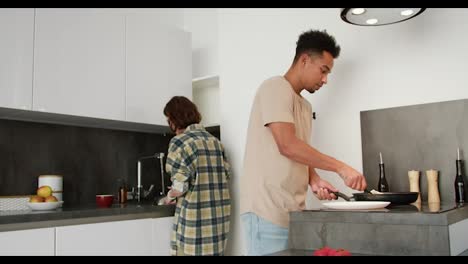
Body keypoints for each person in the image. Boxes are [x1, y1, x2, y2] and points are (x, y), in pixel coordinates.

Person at [240, 29, 367, 256]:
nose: (325, 80)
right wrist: (340, 167)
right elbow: (287, 144)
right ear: (305, 60)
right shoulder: (274, 87)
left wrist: (315, 179)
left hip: (294, 213)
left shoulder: (306, 107)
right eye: (323, 70)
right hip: (266, 211)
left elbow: (298, 151)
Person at [162, 96, 231, 256]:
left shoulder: (180, 142)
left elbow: (180, 186)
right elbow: (226, 175)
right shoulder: (215, 142)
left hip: (194, 235)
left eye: (169, 120)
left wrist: (169, 196)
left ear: (174, 119)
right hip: (217, 231)